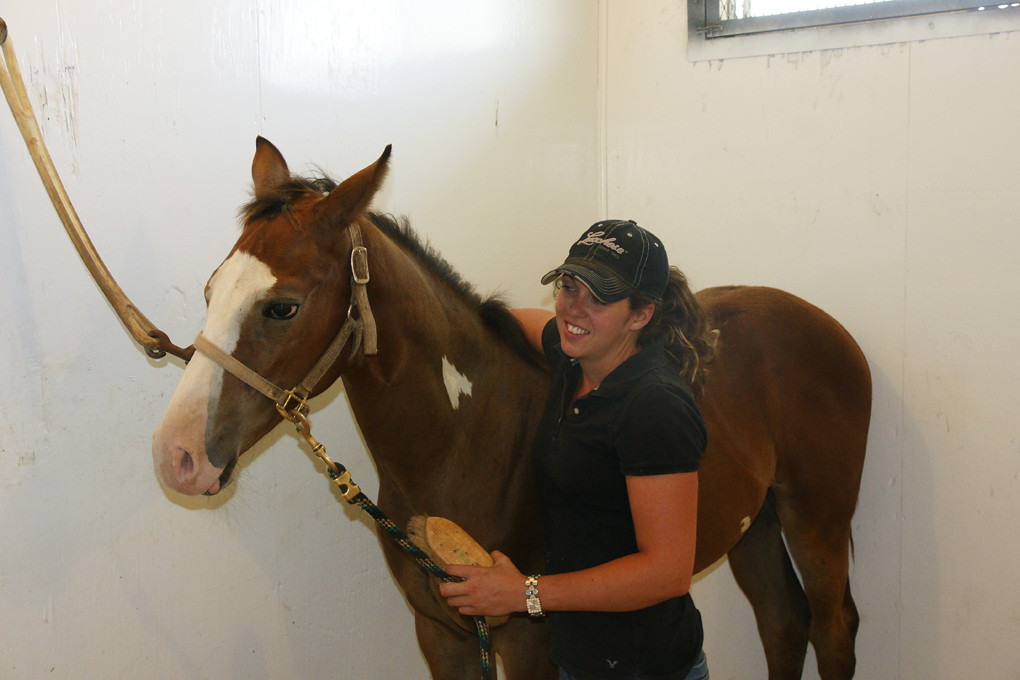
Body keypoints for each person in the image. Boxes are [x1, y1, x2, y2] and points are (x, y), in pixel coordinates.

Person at [440, 219, 717, 680]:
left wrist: (523, 594)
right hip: (580, 662)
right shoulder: (574, 358)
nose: (574, 309)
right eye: (569, 287)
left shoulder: (654, 406)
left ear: (641, 315)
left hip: (644, 668)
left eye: (600, 298)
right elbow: (525, 322)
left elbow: (666, 572)